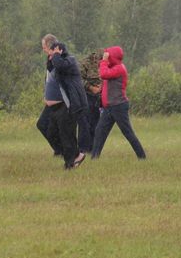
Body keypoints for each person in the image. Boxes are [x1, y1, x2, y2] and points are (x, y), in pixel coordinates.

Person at [40, 34, 87, 169]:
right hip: (55, 107)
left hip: (66, 104)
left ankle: (70, 163)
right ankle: (75, 154)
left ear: (51, 47)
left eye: (44, 47)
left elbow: (60, 66)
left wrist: (55, 55)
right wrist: (52, 56)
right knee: (51, 132)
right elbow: (51, 69)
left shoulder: (69, 60)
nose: (43, 50)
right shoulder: (54, 60)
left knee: (67, 135)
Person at [91, 46, 146, 159]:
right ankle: (94, 157)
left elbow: (103, 74)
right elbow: (102, 71)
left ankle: (142, 156)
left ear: (113, 57)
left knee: (128, 133)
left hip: (118, 106)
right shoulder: (112, 67)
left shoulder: (119, 68)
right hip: (109, 107)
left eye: (108, 55)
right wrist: (103, 61)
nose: (105, 57)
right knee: (100, 131)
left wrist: (105, 61)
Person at [80, 50, 103, 149]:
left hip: (100, 97)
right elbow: (79, 80)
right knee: (85, 123)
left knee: (96, 124)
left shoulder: (107, 63)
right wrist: (91, 88)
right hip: (87, 96)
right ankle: (83, 149)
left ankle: (93, 149)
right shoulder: (85, 63)